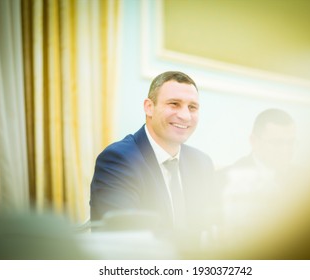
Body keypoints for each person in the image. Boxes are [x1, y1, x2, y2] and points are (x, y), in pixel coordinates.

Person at [90, 71, 217, 237]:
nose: (185, 116)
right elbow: (128, 236)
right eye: (174, 104)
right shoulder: (118, 159)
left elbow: (215, 225)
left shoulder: (202, 163)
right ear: (149, 107)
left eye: (192, 107)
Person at [216, 108, 298, 239]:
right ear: (254, 141)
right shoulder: (224, 180)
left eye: (291, 142)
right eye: (277, 143)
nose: (286, 150)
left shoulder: (306, 179)